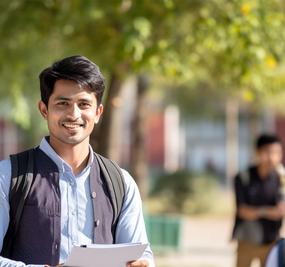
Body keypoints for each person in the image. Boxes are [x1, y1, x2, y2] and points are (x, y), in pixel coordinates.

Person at [0, 55, 154, 267]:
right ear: (44, 110)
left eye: (84, 104)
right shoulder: (8, 176)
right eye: (63, 103)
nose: (74, 114)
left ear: (98, 112)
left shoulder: (121, 182)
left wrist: (142, 264)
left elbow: (141, 253)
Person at [232, 133, 285, 267]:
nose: (272, 158)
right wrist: (267, 212)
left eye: (277, 153)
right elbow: (242, 211)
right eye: (268, 152)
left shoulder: (281, 178)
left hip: (272, 241)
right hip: (247, 240)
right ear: (258, 152)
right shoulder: (244, 177)